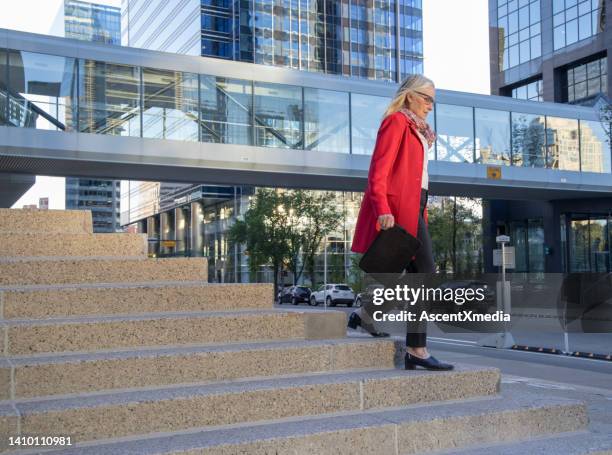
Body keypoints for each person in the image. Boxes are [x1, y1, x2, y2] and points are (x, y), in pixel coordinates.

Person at [348, 74, 453, 371]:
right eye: (426, 98)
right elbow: (377, 171)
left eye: (433, 100)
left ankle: (366, 315)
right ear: (409, 95)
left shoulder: (419, 130)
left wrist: (421, 210)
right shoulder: (396, 122)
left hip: (416, 207)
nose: (430, 106)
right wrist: (383, 207)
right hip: (397, 209)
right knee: (425, 273)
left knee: (409, 276)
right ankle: (416, 349)